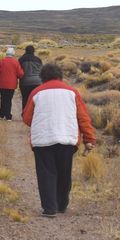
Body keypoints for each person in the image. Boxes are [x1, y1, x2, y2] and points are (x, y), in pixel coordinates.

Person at [22, 63, 96, 217]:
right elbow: (83, 118)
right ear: (60, 76)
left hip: (42, 140)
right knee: (64, 172)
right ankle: (61, 205)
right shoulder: (72, 92)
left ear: (43, 77)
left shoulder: (36, 92)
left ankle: (49, 208)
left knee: (46, 173)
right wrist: (89, 139)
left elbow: (27, 118)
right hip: (67, 138)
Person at [0, 47, 23, 120]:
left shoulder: (1, 61)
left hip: (2, 84)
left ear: (6, 53)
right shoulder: (16, 62)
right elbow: (20, 73)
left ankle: (2, 114)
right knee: (8, 99)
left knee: (3, 98)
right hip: (11, 85)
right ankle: (8, 116)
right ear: (13, 54)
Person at [18, 45, 43, 111]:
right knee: (35, 100)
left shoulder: (21, 59)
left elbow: (18, 71)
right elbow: (42, 71)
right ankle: (35, 114)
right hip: (38, 82)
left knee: (25, 99)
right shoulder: (38, 60)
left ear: (25, 50)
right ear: (33, 51)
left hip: (25, 83)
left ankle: (25, 114)